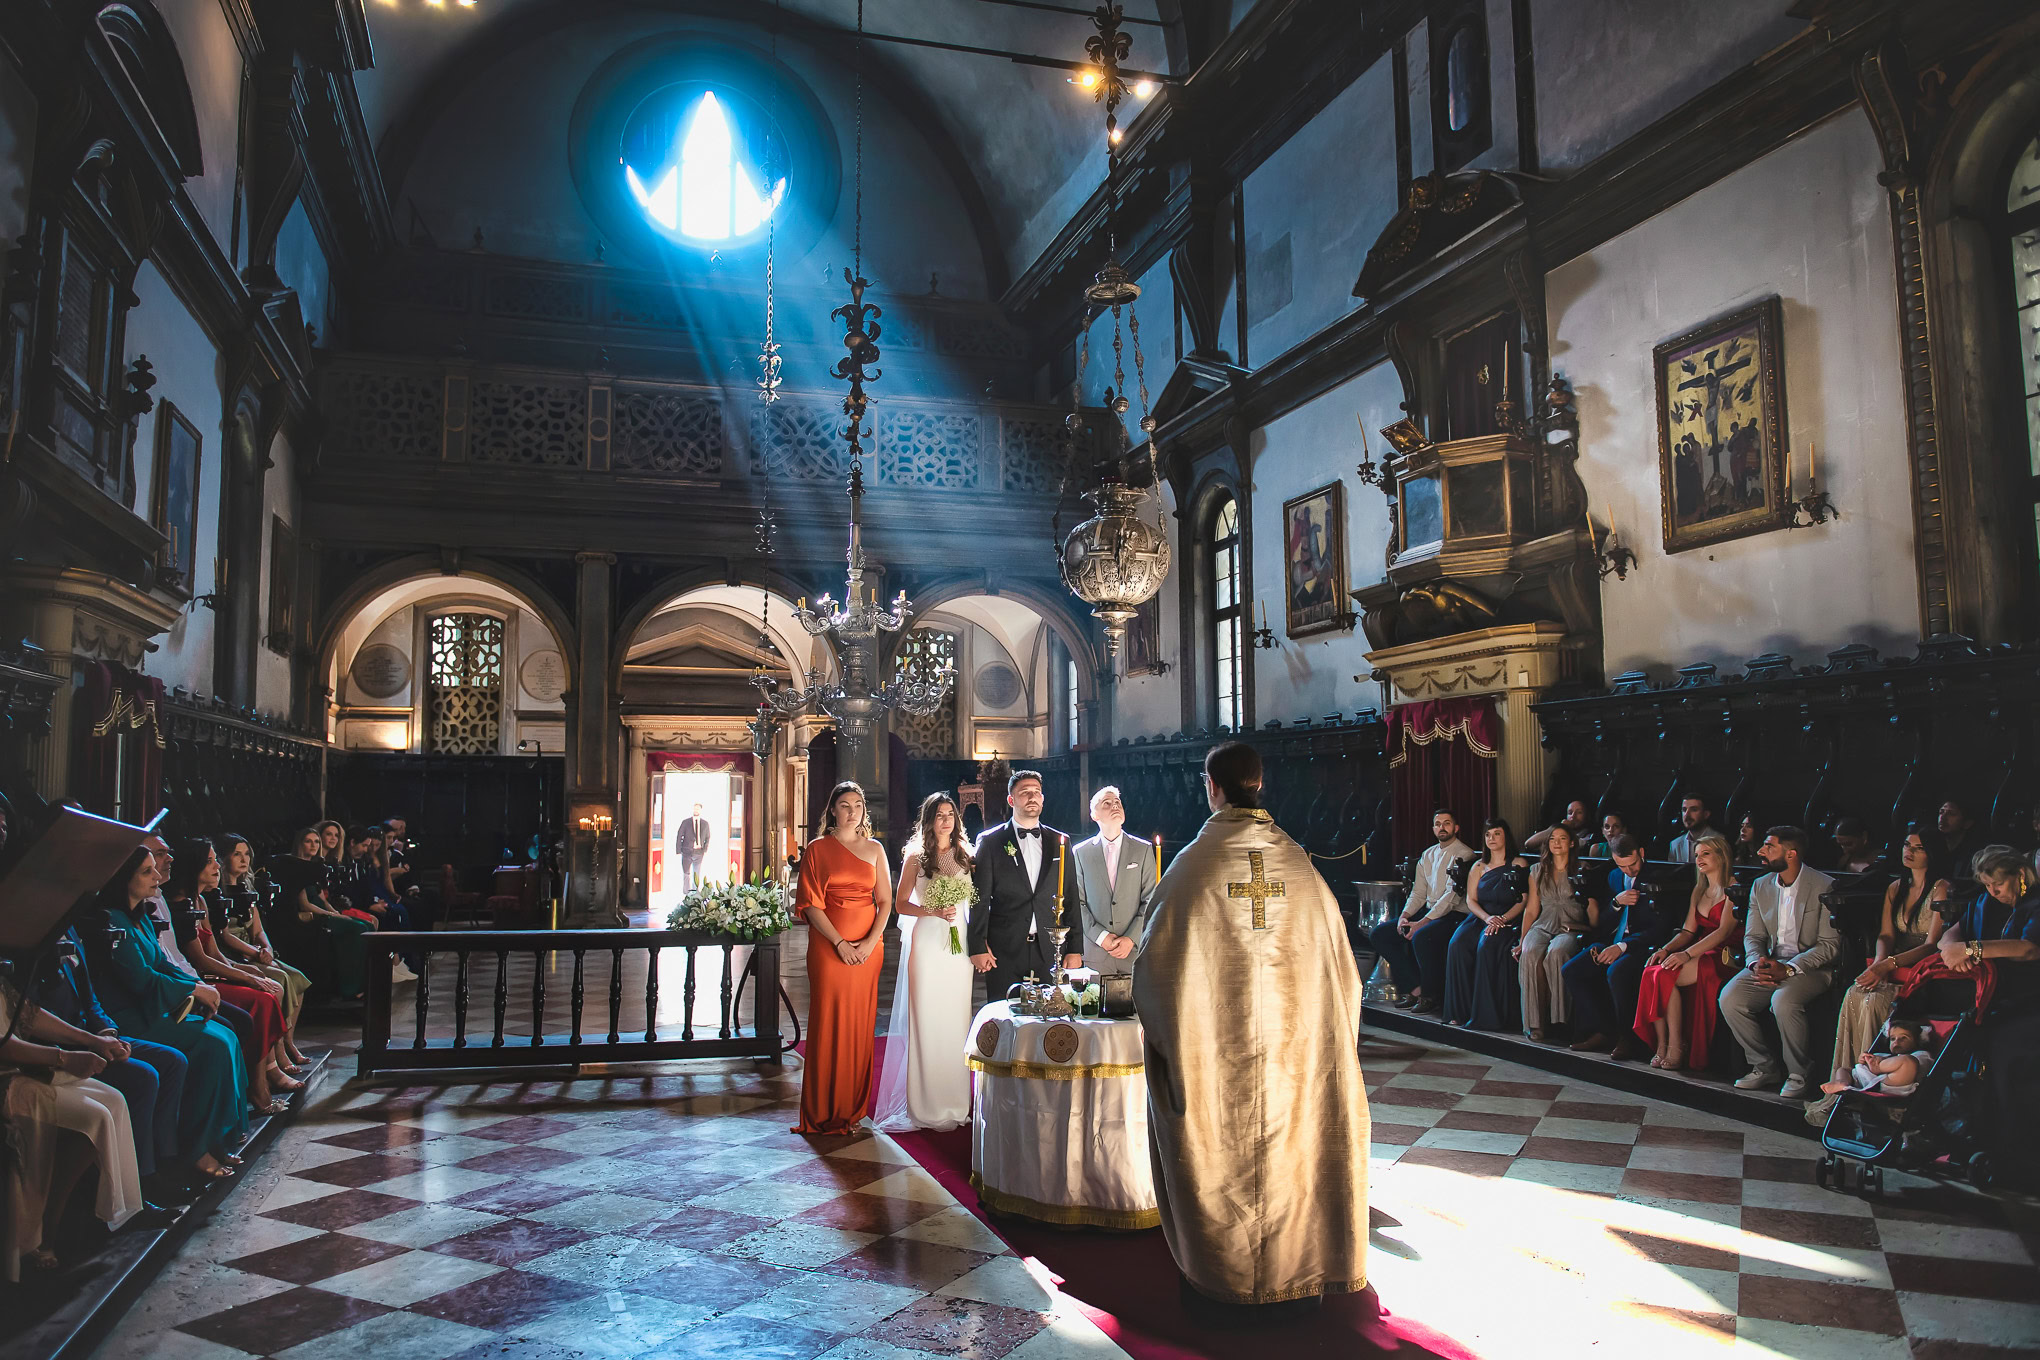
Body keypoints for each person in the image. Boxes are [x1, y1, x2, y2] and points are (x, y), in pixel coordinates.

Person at [1133, 742, 1369, 1306]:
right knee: (1293, 1150)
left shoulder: (1196, 867)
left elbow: (1155, 973)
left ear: (1212, 786)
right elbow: (1344, 973)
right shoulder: (1300, 867)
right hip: (1295, 1055)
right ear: (1258, 785)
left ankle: (1226, 1279)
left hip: (1218, 1062)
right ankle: (1301, 1272)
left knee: (1225, 1150)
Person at [83, 848, 247, 1182]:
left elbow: (161, 963)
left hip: (154, 1008)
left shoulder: (139, 915)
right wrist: (193, 991)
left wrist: (196, 984)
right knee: (212, 1045)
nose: (157, 876)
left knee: (226, 1035)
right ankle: (193, 1148)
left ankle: (215, 1137)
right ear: (124, 878)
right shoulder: (112, 919)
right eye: (146, 872)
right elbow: (141, 979)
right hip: (130, 1016)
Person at [22, 926, 188, 1193]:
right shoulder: (27, 940)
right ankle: (142, 1179)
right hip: (61, 1045)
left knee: (172, 1061)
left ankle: (165, 1158)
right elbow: (30, 1016)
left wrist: (107, 1032)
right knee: (143, 1076)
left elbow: (90, 1000)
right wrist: (92, 1042)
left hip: (90, 1034)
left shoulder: (71, 930)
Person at [1805, 826, 1948, 1124]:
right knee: (1855, 994)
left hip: (1921, 972)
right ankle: (1852, 1084)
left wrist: (1887, 966)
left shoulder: (1941, 888)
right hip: (1891, 963)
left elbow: (1932, 944)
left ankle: (1875, 1083)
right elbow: (1885, 934)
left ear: (1931, 853)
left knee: (1873, 1002)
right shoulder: (1896, 888)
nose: (1909, 851)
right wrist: (1878, 963)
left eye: (1918, 847)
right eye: (1907, 845)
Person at [1936, 846, 2040, 1190]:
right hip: (1997, 1003)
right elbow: (1954, 932)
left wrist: (1973, 950)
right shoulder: (1989, 901)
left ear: (2019, 875)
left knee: (2011, 1065)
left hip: (2030, 1006)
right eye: (1987, 887)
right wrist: (1954, 947)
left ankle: (2020, 1165)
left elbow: (2028, 949)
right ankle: (1976, 1145)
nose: (1993, 893)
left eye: (1997, 885)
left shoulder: (2035, 903)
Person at [165, 841, 296, 1112]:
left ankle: (267, 1074)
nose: (217, 867)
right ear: (194, 867)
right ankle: (259, 1086)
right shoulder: (179, 903)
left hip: (209, 974)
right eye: (211, 862)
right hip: (199, 980)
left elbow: (214, 951)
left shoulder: (199, 900)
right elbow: (201, 960)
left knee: (266, 987)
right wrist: (246, 979)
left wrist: (245, 970)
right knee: (260, 999)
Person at [873, 792, 975, 1132]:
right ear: (929, 820)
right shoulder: (916, 857)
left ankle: (958, 1102)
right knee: (927, 1019)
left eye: (950, 814)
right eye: (939, 814)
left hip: (958, 945)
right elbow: (900, 904)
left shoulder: (966, 854)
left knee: (957, 1019)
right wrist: (930, 910)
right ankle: (925, 1105)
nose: (946, 819)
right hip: (928, 941)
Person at [794, 781, 892, 1136]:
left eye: (858, 805)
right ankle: (823, 1111)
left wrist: (869, 942)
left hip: (869, 950)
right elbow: (809, 904)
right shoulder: (818, 849)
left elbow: (885, 902)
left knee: (859, 1023)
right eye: (845, 805)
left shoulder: (876, 849)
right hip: (828, 948)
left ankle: (851, 1109)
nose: (853, 811)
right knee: (828, 1021)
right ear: (833, 810)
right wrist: (840, 943)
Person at [1722, 826, 1840, 1098]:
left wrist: (1788, 968)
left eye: (1769, 846)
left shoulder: (1824, 885)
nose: (1761, 852)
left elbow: (1830, 946)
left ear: (1791, 854)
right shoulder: (1761, 886)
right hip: (1771, 963)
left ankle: (1800, 1072)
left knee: (1783, 1001)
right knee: (1730, 998)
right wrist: (1756, 963)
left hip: (1812, 968)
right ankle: (1764, 1066)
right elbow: (1753, 936)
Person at [968, 770, 1080, 1004]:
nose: (1032, 797)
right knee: (1003, 1017)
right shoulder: (991, 842)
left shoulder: (1060, 842)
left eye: (1037, 792)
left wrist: (1075, 948)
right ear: (1011, 800)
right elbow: (979, 898)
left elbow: (1070, 895)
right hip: (1004, 949)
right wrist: (977, 945)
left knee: (1051, 1020)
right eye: (1025, 792)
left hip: (1051, 948)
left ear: (1043, 798)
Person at [1632, 833, 1741, 1071]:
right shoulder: (1699, 890)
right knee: (1652, 972)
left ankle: (1676, 1046)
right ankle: (1663, 1044)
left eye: (1706, 853)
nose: (1699, 859)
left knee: (1664, 975)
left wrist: (1686, 955)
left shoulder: (1734, 889)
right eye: (1696, 855)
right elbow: (1687, 931)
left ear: (1721, 855)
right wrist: (1666, 949)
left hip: (1721, 954)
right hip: (1697, 948)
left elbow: (1722, 933)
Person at [1563, 835, 1675, 1055]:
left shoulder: (1656, 877)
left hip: (1641, 946)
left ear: (1641, 853)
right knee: (1572, 970)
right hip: (1611, 941)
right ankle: (1602, 1031)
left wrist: (1622, 947)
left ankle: (1628, 1037)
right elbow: (1603, 924)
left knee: (1617, 972)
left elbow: (1660, 928)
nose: (1629, 871)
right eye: (1622, 866)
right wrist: (1616, 903)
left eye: (1632, 864)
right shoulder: (1614, 877)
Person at [215, 834, 312, 1072]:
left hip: (256, 950)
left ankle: (288, 1041)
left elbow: (258, 929)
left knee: (298, 977)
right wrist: (256, 953)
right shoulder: (216, 889)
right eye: (237, 854)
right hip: (233, 953)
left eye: (246, 854)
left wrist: (266, 948)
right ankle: (277, 1051)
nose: (243, 859)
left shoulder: (248, 887)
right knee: (279, 979)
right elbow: (223, 934)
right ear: (224, 857)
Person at [1368, 809, 1474, 1014]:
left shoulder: (1464, 854)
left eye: (1447, 823)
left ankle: (1430, 995)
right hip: (1428, 910)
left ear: (1456, 827)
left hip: (1453, 914)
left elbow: (1451, 897)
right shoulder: (1428, 854)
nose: (1442, 827)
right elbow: (1418, 892)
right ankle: (1414, 987)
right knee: (1380, 934)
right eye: (1437, 824)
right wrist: (1405, 916)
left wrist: (1421, 923)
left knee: (1422, 936)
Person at [1515, 823, 1597, 1041]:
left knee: (1557, 952)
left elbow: (1590, 906)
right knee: (1530, 952)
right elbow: (1531, 909)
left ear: (1571, 843)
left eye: (1562, 838)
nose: (1556, 843)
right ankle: (1536, 1024)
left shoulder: (1581, 868)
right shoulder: (1537, 870)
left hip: (1570, 925)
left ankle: (1560, 1021)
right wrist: (1521, 941)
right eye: (1552, 839)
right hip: (1543, 923)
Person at [1444, 818, 1526, 1029]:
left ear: (1505, 836)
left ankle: (1485, 1016)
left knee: (1486, 945)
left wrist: (1502, 919)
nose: (1492, 838)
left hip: (1508, 918)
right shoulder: (1478, 866)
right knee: (1457, 944)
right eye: (1488, 835)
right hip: (1482, 917)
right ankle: (1459, 1011)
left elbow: (1524, 899)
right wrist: (1487, 918)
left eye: (1497, 834)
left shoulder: (1519, 863)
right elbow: (1471, 900)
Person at [1072, 785, 1157, 974]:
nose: (1114, 806)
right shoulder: (1081, 853)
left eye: (1117, 802)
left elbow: (1151, 899)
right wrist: (1101, 936)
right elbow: (1077, 902)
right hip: (1096, 951)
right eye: (1107, 803)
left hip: (1134, 951)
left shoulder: (1142, 849)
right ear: (1094, 815)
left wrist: (1130, 938)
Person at [1818, 1018, 1931, 1098]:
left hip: (1896, 1085)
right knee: (1843, 1070)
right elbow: (1874, 1061)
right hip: (1873, 1081)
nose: (1897, 1042)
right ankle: (1841, 1082)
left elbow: (1919, 1067)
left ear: (1917, 1041)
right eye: (1892, 1039)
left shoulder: (1921, 1054)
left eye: (1904, 1038)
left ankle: (1878, 1068)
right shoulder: (1886, 1055)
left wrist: (1880, 1066)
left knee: (1908, 1062)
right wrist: (1866, 1060)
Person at [1932, 799, 1985, 886]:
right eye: (1941, 812)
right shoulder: (1932, 848)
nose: (1942, 817)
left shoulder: (1975, 855)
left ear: (1967, 823)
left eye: (1951, 814)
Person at [1524, 800, 1591, 854]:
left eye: (1579, 812)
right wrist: (1559, 827)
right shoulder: (1558, 831)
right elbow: (1529, 844)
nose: (1573, 816)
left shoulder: (1589, 836)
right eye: (1570, 813)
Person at [1669, 794, 1719, 864]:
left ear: (1706, 814)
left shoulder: (1719, 841)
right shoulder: (1675, 844)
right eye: (1684, 810)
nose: (1687, 814)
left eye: (1694, 810)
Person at [675, 802, 712, 890]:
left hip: (699, 852)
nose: (696, 810)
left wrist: (705, 849)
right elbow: (679, 835)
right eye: (695, 808)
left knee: (696, 873)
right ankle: (686, 892)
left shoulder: (705, 824)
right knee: (686, 873)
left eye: (698, 809)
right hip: (687, 851)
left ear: (701, 810)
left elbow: (708, 837)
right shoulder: (686, 822)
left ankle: (695, 893)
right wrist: (679, 850)